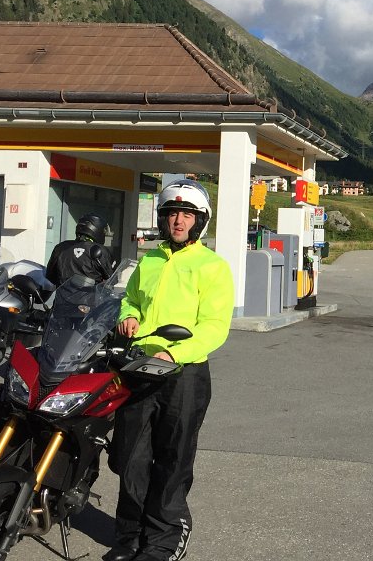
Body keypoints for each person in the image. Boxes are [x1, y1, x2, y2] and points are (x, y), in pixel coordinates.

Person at [105, 179, 234, 561]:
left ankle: (162, 541)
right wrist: (128, 316)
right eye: (173, 214)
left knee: (172, 461)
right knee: (130, 457)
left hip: (183, 375)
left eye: (187, 215)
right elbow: (129, 299)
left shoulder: (212, 267)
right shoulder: (150, 260)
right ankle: (130, 536)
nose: (179, 221)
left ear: (200, 221)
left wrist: (174, 353)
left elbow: (214, 326)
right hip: (140, 367)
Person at [45, 212, 114, 287]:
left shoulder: (61, 247)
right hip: (90, 294)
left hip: (62, 293)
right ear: (98, 229)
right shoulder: (100, 250)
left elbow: (49, 276)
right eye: (103, 231)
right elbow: (110, 279)